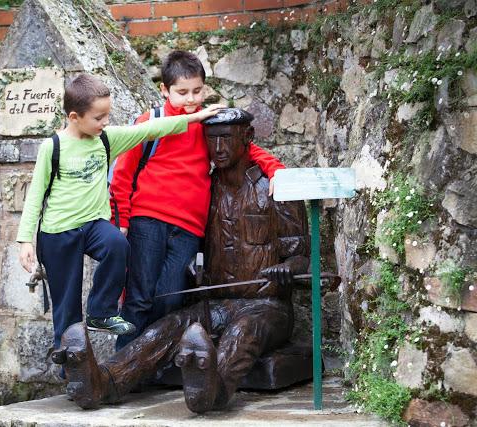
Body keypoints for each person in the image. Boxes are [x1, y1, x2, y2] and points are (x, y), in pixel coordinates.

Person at [52, 108, 310, 413]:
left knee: (243, 332)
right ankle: (104, 381)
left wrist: (287, 268)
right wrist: (193, 264)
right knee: (166, 327)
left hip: (267, 307)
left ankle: (213, 392)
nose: (218, 149)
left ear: (248, 138)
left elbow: (300, 257)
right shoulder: (206, 188)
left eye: (226, 139)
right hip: (215, 305)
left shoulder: (277, 187)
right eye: (211, 141)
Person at [16, 74, 223, 349]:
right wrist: (25, 240)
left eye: (107, 116)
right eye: (99, 118)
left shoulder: (106, 140)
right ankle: (69, 363)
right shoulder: (52, 147)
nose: (105, 123)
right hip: (58, 232)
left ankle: (101, 311)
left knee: (117, 245)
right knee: (66, 308)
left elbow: (153, 128)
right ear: (75, 117)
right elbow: (35, 196)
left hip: (93, 226)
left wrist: (195, 118)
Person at [111, 51, 286, 349]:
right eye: (181, 93)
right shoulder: (150, 121)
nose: (191, 99)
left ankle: (151, 361)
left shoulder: (210, 124)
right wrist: (122, 222)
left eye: (197, 91)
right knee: (139, 296)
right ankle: (121, 361)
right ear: (165, 90)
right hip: (147, 220)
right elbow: (122, 176)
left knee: (171, 297)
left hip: (190, 229)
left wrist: (275, 169)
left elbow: (247, 150)